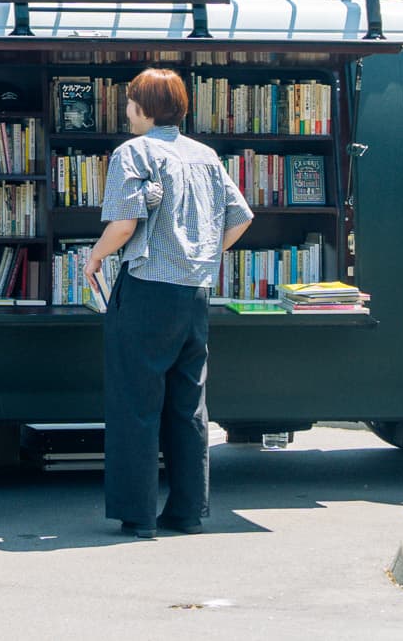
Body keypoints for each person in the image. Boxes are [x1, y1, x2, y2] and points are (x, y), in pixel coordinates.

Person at [84, 69, 253, 539]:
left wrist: (95, 257)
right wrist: (203, 254)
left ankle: (137, 514)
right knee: (187, 404)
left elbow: (123, 225)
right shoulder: (204, 155)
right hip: (194, 292)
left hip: (146, 289)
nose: (126, 110)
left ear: (143, 108)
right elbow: (241, 218)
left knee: (135, 403)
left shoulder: (132, 152)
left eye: (131, 102)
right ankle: (187, 511)